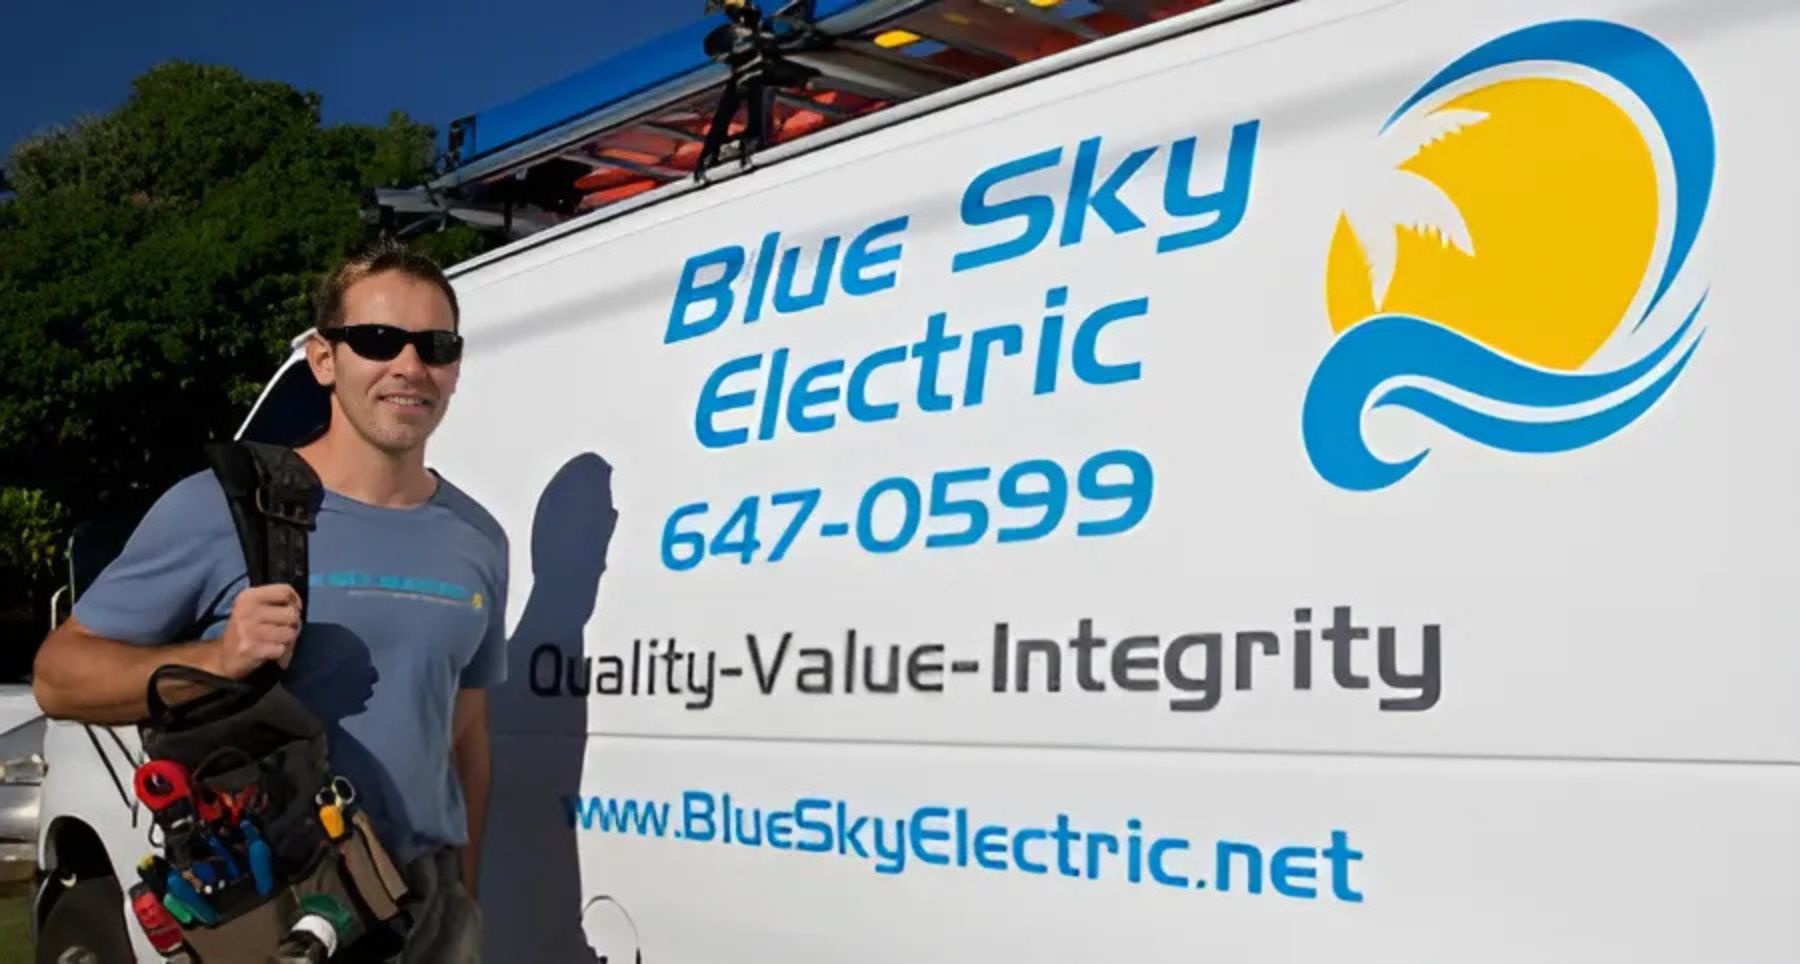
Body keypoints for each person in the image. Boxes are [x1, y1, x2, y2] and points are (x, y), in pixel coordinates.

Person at [32, 239, 510, 962]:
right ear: (324, 359)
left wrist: (464, 895)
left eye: (434, 345)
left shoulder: (478, 538)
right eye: (378, 340)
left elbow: (468, 735)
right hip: (287, 904)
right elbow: (58, 676)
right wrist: (217, 658)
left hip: (429, 906)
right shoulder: (223, 508)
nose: (409, 366)